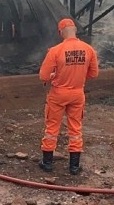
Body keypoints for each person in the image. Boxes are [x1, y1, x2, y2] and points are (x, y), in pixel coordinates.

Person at [38, 17, 99, 175]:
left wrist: (55, 75)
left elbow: (43, 76)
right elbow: (93, 74)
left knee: (52, 129)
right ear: (75, 31)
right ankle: (74, 166)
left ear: (60, 33)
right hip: (78, 94)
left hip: (58, 94)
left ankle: (47, 163)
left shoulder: (55, 51)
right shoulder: (89, 50)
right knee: (75, 129)